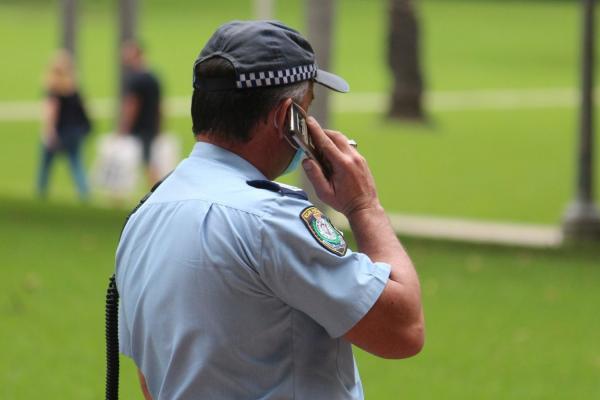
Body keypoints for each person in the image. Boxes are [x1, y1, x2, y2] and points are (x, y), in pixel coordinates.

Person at [115, 21, 424, 400]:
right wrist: (364, 206)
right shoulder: (271, 220)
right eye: (308, 110)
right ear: (286, 119)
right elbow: (403, 329)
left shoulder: (144, 217)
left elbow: (151, 378)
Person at [37, 49, 91, 200]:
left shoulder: (53, 89)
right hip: (74, 133)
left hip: (59, 131)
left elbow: (51, 112)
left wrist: (49, 132)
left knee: (46, 165)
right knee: (76, 164)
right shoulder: (73, 88)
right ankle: (84, 193)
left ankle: (41, 192)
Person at [118, 41, 162, 184]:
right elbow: (159, 106)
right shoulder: (153, 77)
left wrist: (124, 126)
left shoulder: (135, 79)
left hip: (139, 128)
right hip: (151, 126)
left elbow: (132, 105)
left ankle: (155, 190)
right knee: (148, 160)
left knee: (137, 162)